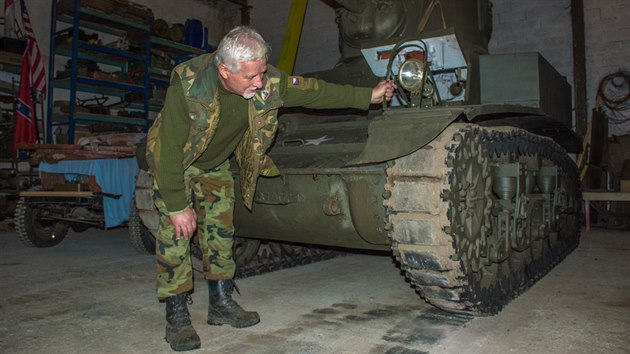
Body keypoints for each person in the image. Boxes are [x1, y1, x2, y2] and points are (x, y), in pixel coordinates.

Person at [145, 25, 394, 351]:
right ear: (224, 70)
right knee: (176, 235)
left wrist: (367, 96)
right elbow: (168, 149)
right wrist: (177, 206)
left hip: (214, 165)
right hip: (176, 162)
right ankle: (176, 315)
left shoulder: (267, 81)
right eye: (250, 77)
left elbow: (313, 91)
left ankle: (220, 304)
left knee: (220, 233)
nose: (259, 82)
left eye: (261, 72)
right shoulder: (188, 83)